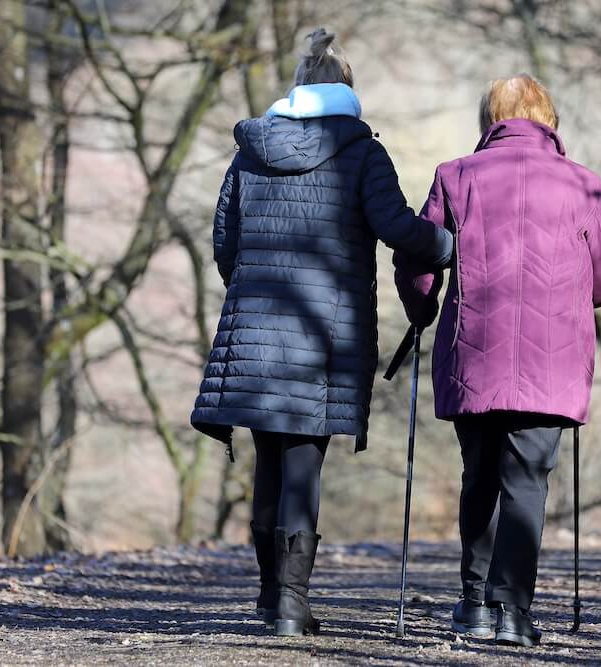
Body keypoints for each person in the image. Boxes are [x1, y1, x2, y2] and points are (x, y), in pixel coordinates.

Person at [190, 28, 453, 637]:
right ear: (348, 91)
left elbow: (225, 244)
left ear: (298, 88)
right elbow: (396, 227)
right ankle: (290, 603)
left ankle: (267, 596)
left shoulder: (248, 150)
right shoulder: (362, 152)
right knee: (303, 466)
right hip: (323, 335)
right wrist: (449, 246)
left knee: (269, 463)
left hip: (254, 330)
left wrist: (254, 291)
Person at [394, 74, 601, 647]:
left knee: (478, 477)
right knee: (527, 481)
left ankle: (474, 603)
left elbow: (418, 258)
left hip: (473, 353)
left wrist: (423, 308)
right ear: (549, 120)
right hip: (552, 361)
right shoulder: (584, 184)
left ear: (490, 121)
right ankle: (514, 613)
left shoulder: (455, 176)